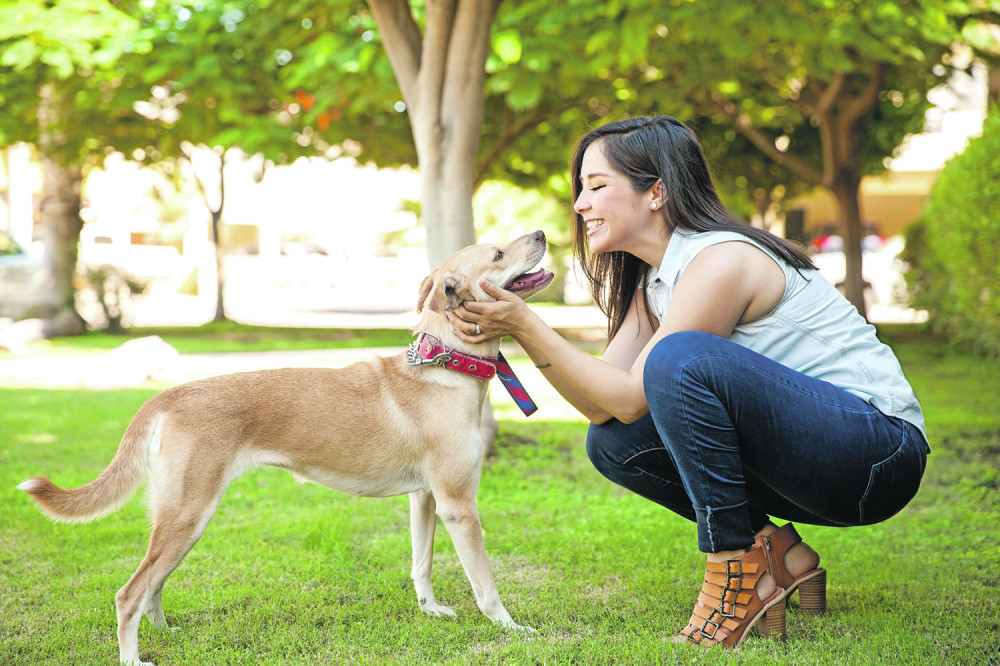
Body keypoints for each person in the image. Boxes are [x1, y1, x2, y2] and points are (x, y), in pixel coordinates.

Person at [447, 115, 930, 648]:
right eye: (580, 189)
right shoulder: (651, 283)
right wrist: (519, 328)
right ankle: (780, 554)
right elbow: (606, 407)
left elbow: (635, 394)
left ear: (657, 192)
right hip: (819, 461)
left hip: (878, 453)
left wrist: (524, 322)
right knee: (613, 444)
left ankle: (734, 566)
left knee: (678, 359)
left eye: (597, 186)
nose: (580, 204)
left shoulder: (721, 259)